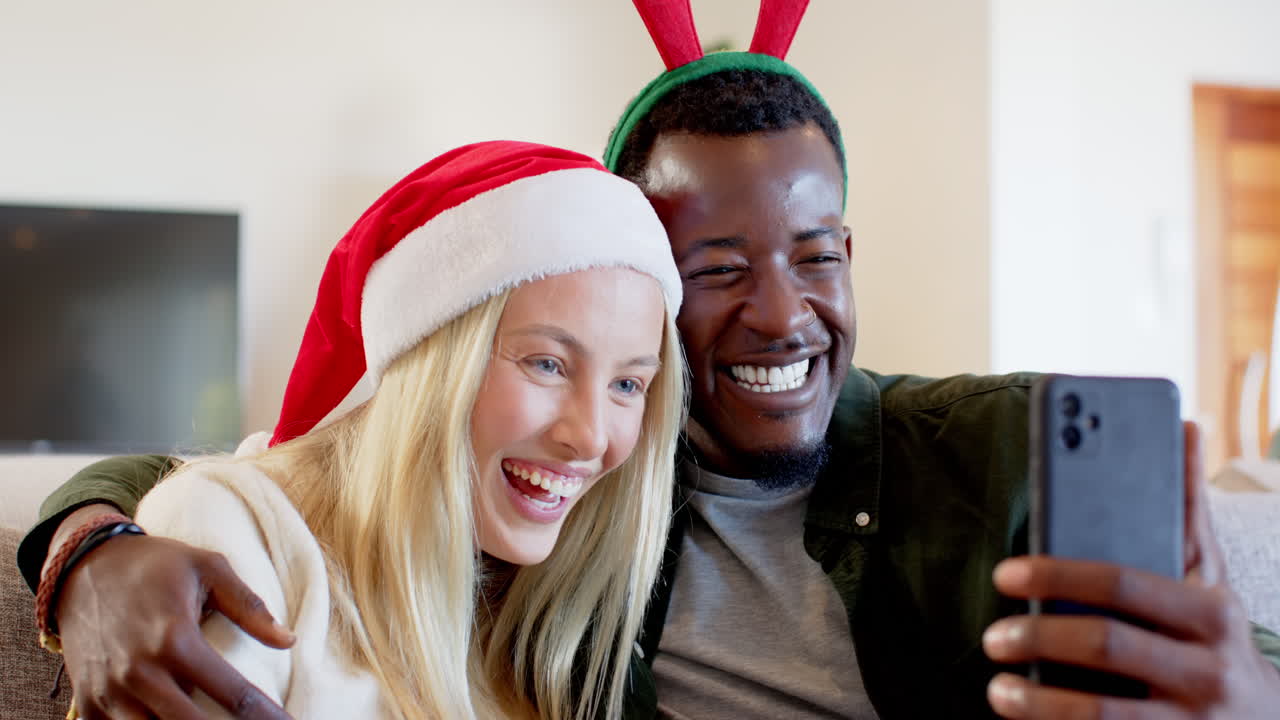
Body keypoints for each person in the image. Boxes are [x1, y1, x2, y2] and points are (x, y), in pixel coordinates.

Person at [17, 1, 1280, 718]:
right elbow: (286, 481)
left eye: (816, 254)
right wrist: (89, 551)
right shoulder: (569, 500)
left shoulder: (991, 450)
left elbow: (1219, 661)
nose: (783, 315)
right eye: (717, 269)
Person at [25, 140, 687, 719]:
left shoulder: (576, 643)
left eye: (629, 384)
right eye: (546, 363)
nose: (591, 437)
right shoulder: (239, 539)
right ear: (429, 363)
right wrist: (88, 541)